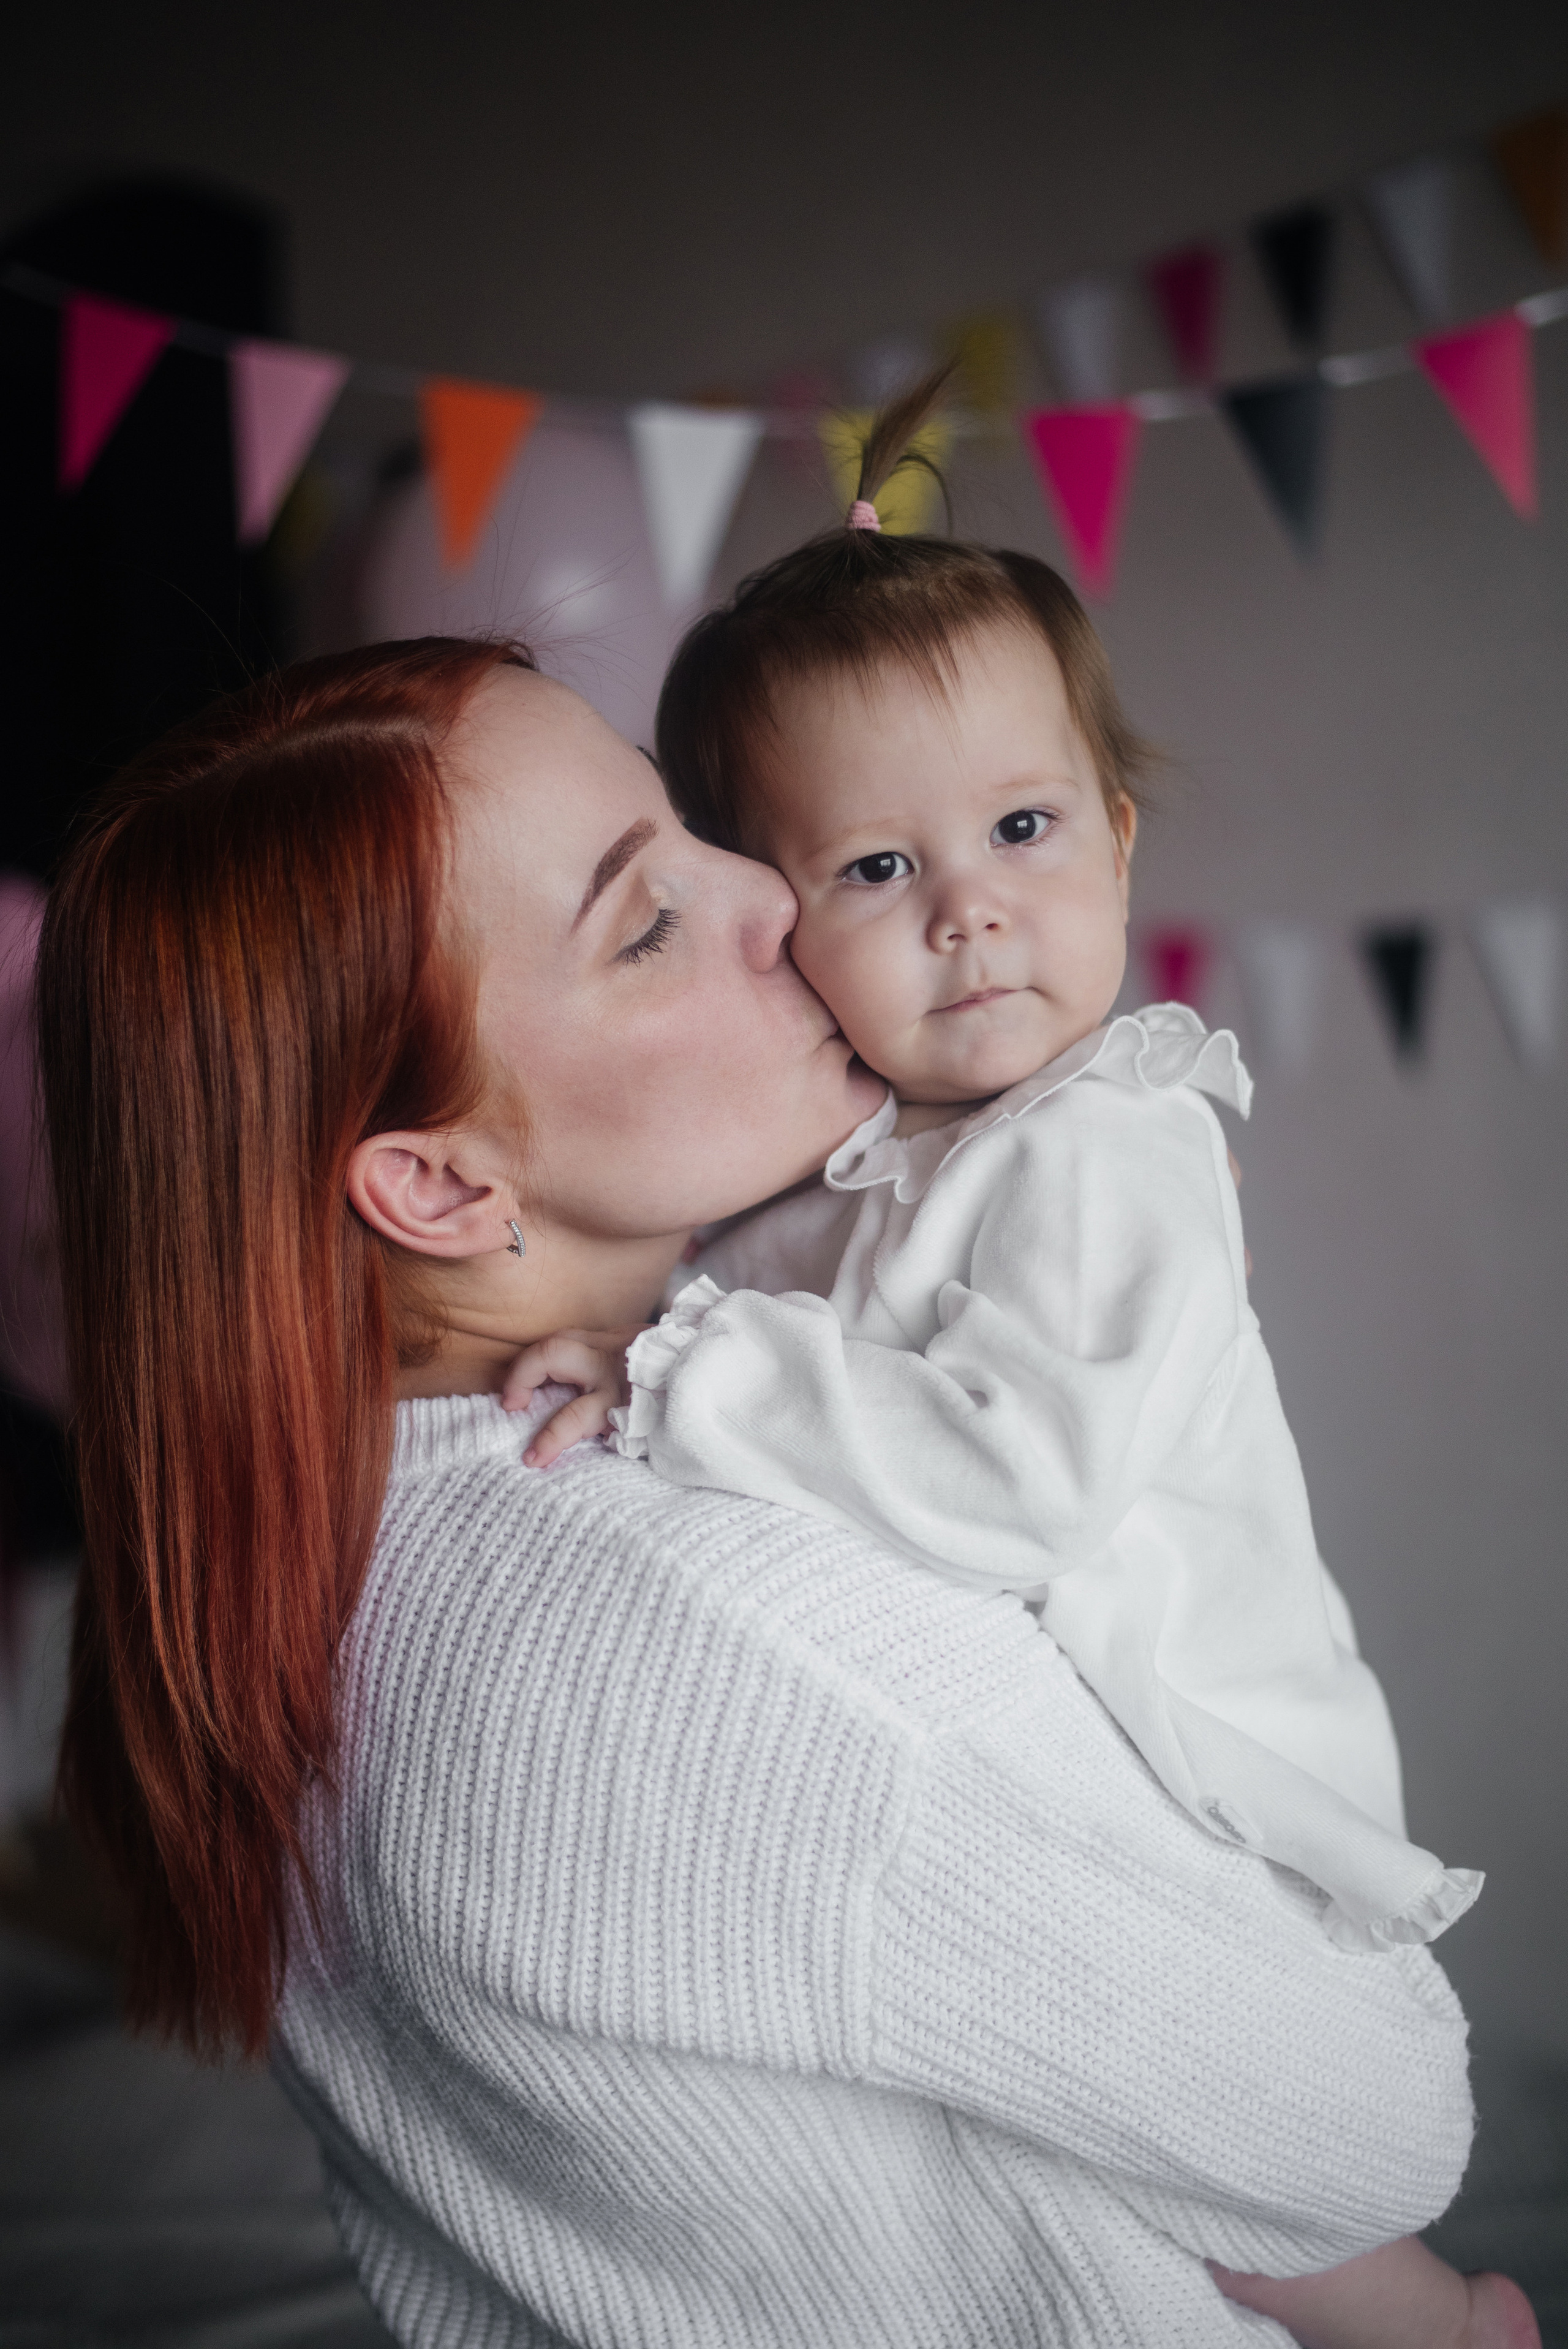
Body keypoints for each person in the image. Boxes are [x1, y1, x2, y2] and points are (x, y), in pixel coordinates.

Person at [37, 634, 1486, 2348]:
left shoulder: (296, 1573)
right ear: (436, 1181)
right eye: (647, 920)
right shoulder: (741, 1623)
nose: (781, 898)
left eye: (689, 823)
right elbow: (1379, 2124)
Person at [503, 384, 1536, 2349]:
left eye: (1024, 827)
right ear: (769, 924)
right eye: (874, 872)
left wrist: (675, 1377)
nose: (971, 904)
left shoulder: (1109, 1143)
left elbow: (1014, 1482)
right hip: (1041, 1789)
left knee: (1233, 2181)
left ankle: (1452, 2331)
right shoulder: (847, 1167)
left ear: (1121, 846)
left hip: (1218, 1797)